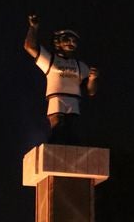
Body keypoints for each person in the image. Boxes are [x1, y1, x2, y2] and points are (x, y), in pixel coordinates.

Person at [23, 13, 99, 144]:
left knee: (71, 131)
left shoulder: (80, 66)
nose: (71, 43)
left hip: (73, 101)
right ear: (58, 41)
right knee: (58, 129)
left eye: (74, 41)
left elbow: (91, 91)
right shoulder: (52, 60)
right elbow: (30, 47)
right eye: (67, 39)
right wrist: (33, 28)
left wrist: (93, 79)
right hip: (57, 99)